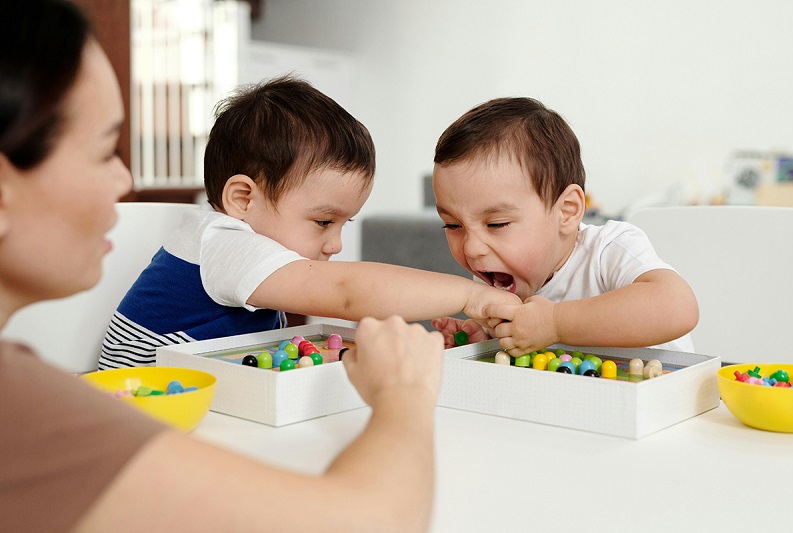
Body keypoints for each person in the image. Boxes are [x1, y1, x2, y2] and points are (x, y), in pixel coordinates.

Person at [0, 2, 442, 531]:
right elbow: (367, 520)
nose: (124, 182)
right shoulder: (223, 241)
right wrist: (404, 399)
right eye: (102, 152)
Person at [98, 76, 521, 369]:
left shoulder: (249, 251)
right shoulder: (223, 242)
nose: (335, 244)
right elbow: (346, 293)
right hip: (140, 410)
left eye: (344, 223)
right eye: (322, 221)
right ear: (242, 199)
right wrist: (468, 296)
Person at [430, 97, 699, 355]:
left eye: (497, 224)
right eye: (453, 225)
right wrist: (483, 341)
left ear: (567, 212)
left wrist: (555, 323)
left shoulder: (608, 251)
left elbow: (677, 306)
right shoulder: (494, 277)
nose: (472, 248)